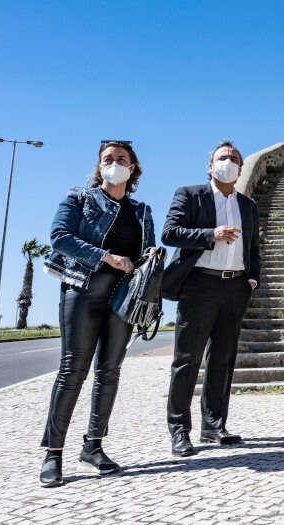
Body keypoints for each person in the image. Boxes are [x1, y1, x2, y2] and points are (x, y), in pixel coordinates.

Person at [40, 140, 157, 487]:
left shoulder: (142, 210)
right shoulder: (79, 197)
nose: (114, 162)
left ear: (133, 167)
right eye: (108, 158)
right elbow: (59, 237)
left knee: (109, 371)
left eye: (121, 158)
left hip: (124, 297)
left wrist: (151, 260)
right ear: (99, 165)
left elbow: (145, 256)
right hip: (82, 289)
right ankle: (53, 453)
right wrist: (106, 257)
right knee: (72, 371)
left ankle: (93, 446)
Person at [162, 141, 260, 457]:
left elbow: (254, 247)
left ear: (241, 169)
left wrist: (252, 279)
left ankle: (214, 426)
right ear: (210, 166)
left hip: (236, 288)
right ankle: (179, 431)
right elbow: (170, 233)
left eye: (234, 159)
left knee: (223, 359)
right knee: (187, 360)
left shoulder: (248, 205)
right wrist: (211, 235)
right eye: (223, 157)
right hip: (199, 285)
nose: (228, 162)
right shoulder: (190, 195)